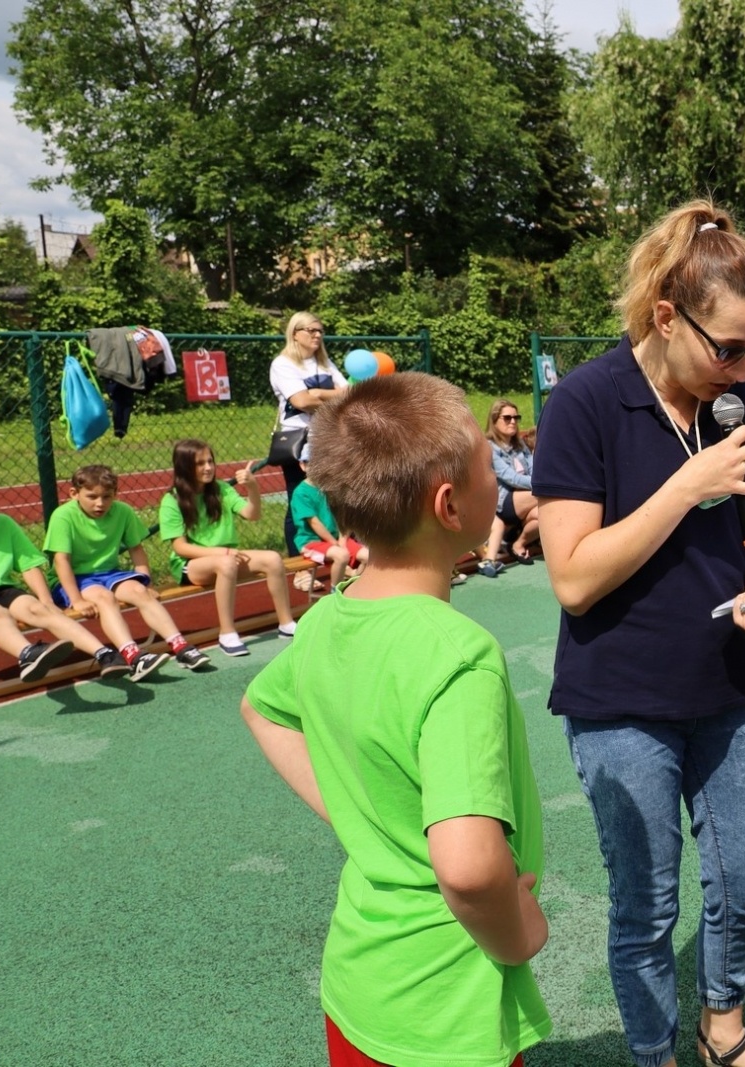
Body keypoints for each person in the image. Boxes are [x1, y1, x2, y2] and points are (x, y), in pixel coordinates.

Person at [533, 200, 745, 1067]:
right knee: (646, 906)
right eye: (727, 346)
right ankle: (653, 1055)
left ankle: (722, 1027)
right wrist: (687, 486)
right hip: (620, 699)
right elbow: (573, 577)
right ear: (663, 316)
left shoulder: (743, 405)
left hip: (730, 684)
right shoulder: (584, 402)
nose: (743, 367)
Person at [240, 372, 550, 1067]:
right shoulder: (459, 656)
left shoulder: (328, 618)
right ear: (449, 504)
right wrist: (518, 934)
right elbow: (470, 871)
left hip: (359, 982)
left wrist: (363, 813)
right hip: (444, 1000)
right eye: (483, 468)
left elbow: (261, 708)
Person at [0, 467, 131, 681]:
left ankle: (104, 654)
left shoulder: (4, 523)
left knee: (40, 609)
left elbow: (29, 564)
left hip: (3, 590)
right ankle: (28, 653)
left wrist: (46, 600)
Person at [160, 439, 297, 660]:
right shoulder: (172, 500)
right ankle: (227, 633)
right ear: (184, 466)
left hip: (227, 560)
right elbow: (181, 547)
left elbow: (252, 514)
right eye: (200, 463)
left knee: (272, 558)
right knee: (225, 563)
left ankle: (286, 622)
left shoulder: (221, 489)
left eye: (210, 461)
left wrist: (252, 486)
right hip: (191, 566)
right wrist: (222, 553)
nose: (208, 467)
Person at [42, 465, 175, 681]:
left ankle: (180, 646)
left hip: (109, 573)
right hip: (72, 579)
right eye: (92, 496)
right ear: (74, 494)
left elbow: (137, 549)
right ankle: (133, 655)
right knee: (104, 598)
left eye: (107, 497)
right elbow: (61, 561)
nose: (100, 503)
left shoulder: (122, 511)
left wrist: (148, 584)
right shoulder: (63, 516)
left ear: (115, 494)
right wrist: (76, 599)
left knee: (139, 591)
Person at [270, 312, 349, 551]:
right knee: (300, 500)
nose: (317, 335)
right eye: (311, 330)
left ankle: (339, 551)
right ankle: (300, 562)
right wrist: (331, 396)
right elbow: (302, 401)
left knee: (337, 496)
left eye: (320, 331)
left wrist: (318, 394)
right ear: (295, 334)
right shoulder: (283, 364)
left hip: (329, 439)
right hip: (301, 444)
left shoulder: (324, 363)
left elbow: (350, 393)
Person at [290, 443, 368, 592]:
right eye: (310, 463)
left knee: (368, 557)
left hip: (335, 541)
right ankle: (335, 592)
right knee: (341, 555)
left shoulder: (331, 487)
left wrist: (343, 539)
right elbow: (314, 522)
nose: (315, 467)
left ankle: (352, 585)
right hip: (311, 543)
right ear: (302, 465)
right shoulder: (301, 492)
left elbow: (343, 516)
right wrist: (335, 543)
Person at [479, 399, 543, 576]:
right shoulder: (489, 447)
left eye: (516, 417)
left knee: (544, 513)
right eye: (507, 418)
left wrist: (538, 481)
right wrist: (541, 484)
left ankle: (518, 544)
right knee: (546, 495)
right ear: (494, 420)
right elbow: (510, 477)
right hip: (503, 501)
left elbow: (534, 468)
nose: (513, 421)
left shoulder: (520, 445)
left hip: (525, 498)